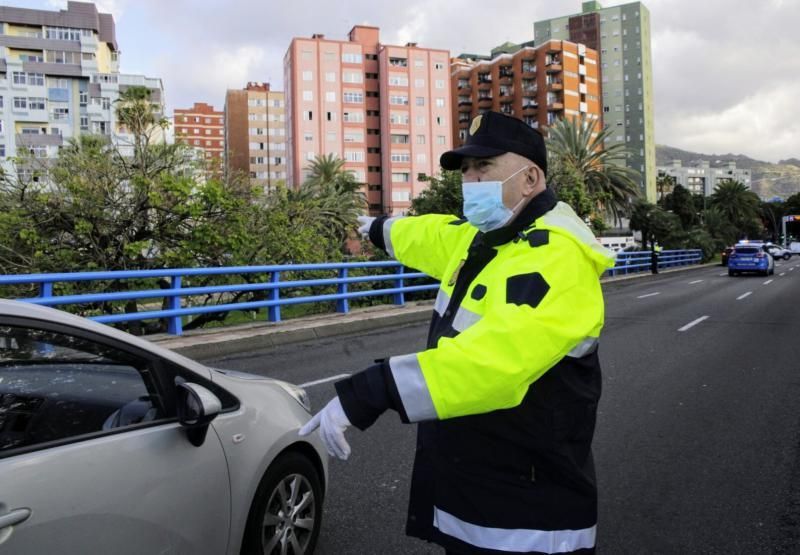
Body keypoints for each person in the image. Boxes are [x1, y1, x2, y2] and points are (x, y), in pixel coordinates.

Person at [300, 111, 615, 555]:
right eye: (466, 170)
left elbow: (495, 362)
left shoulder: (557, 257)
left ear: (531, 179)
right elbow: (429, 234)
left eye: (484, 167)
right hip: (479, 488)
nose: (470, 180)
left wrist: (372, 390)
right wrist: (370, 226)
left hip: (529, 518)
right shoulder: (485, 237)